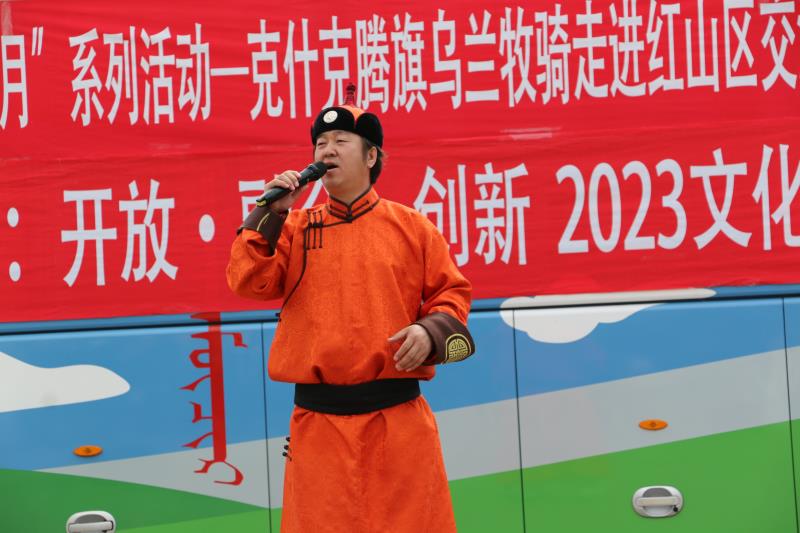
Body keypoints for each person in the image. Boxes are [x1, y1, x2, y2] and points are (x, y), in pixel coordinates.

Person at [226, 88, 475, 533]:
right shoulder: (294, 227)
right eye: (320, 143)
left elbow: (452, 295)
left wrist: (428, 333)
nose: (327, 150)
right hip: (318, 429)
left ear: (371, 155)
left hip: (397, 424)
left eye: (341, 140)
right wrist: (270, 213)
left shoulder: (412, 227)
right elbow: (247, 282)